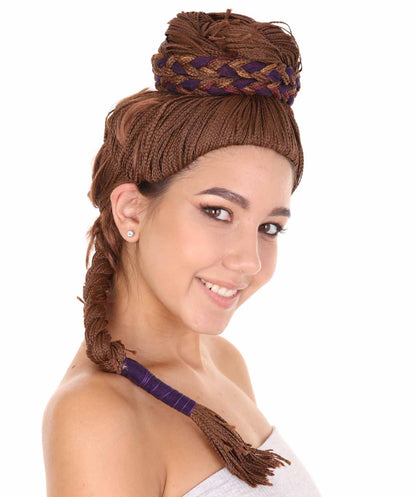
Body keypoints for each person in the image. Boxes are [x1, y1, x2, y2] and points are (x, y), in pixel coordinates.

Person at [42, 9, 321, 496]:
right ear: (130, 210)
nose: (249, 261)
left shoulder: (223, 362)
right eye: (217, 212)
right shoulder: (98, 414)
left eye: (269, 227)